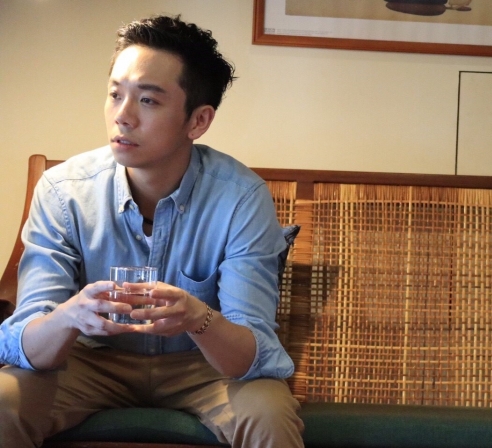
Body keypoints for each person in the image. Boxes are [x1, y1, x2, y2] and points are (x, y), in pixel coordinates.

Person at [0, 15, 304, 447]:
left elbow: (250, 355)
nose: (122, 117)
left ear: (198, 121)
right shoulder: (63, 191)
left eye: (147, 100)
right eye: (115, 94)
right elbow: (25, 343)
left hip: (203, 365)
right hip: (89, 361)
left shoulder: (241, 198)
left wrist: (197, 317)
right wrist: (71, 315)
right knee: (4, 401)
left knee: (268, 413)